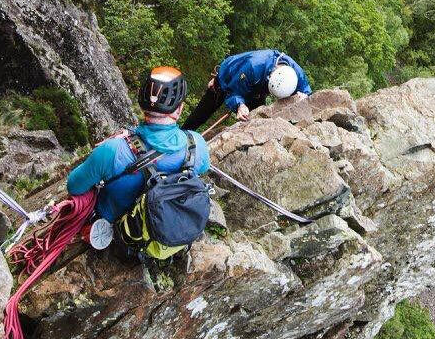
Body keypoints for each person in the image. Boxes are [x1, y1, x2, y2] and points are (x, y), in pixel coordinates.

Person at [67, 66, 211, 268]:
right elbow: (201, 169)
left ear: (142, 104)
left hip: (121, 234)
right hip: (173, 227)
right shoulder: (196, 145)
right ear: (179, 109)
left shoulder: (112, 150)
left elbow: (74, 186)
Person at [182, 49, 311, 130]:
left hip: (258, 88)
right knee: (201, 114)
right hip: (228, 78)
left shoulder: (295, 74)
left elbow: (307, 92)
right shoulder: (253, 67)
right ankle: (182, 136)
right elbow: (233, 92)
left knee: (254, 120)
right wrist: (240, 105)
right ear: (270, 75)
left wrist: (304, 96)